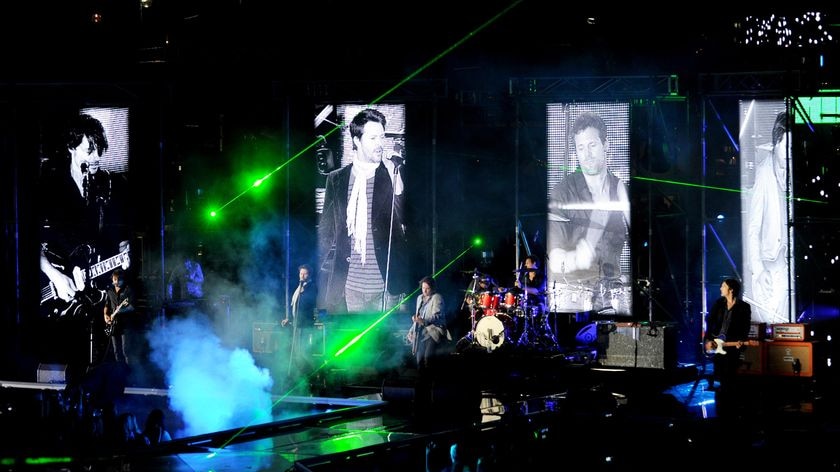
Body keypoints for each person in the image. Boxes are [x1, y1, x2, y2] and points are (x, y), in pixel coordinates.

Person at [39, 112, 131, 320]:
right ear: (71, 147)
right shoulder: (49, 186)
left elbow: (122, 242)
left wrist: (127, 252)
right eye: (89, 150)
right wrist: (56, 276)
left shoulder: (113, 188)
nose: (96, 157)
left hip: (98, 299)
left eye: (100, 150)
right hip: (55, 294)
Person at [317, 108, 408, 314]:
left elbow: (405, 219)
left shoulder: (391, 175)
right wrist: (309, 268)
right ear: (357, 141)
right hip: (350, 286)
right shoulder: (336, 179)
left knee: (386, 345)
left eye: (382, 137)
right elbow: (326, 230)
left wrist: (397, 180)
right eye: (373, 137)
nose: (380, 144)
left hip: (386, 287)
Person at [546, 111, 630, 312]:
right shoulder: (562, 193)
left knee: (623, 343)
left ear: (606, 145)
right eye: (580, 147)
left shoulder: (622, 190)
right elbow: (555, 260)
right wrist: (575, 258)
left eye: (592, 145)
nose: (587, 154)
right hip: (574, 293)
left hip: (613, 292)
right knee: (578, 341)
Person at [747, 111, 790, 324]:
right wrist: (759, 268)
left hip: (787, 263)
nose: (790, 152)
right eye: (787, 146)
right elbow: (753, 227)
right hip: (771, 265)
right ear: (777, 142)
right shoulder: (764, 173)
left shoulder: (791, 172)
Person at [703, 278, 752, 419]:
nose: (720, 289)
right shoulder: (719, 304)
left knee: (730, 377)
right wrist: (707, 340)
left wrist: (741, 341)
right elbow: (710, 322)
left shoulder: (744, 307)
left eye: (723, 286)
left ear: (731, 289)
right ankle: (721, 411)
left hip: (732, 347)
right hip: (717, 345)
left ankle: (730, 412)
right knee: (720, 376)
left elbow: (745, 327)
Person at [282, 264, 319, 378]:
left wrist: (304, 291)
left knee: (303, 352)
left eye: (305, 273)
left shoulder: (311, 287)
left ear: (309, 275)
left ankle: (314, 374)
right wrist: (289, 319)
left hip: (305, 326)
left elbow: (308, 303)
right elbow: (295, 306)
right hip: (297, 325)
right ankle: (305, 377)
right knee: (296, 353)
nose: (302, 276)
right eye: (300, 273)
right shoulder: (299, 287)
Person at [408, 276, 449, 372]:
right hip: (421, 333)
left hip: (433, 332)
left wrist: (423, 320)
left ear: (433, 288)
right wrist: (411, 331)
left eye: (427, 288)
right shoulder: (419, 298)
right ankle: (421, 383)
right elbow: (418, 316)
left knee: (428, 360)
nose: (425, 291)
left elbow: (437, 316)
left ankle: (429, 382)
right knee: (419, 360)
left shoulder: (437, 297)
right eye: (423, 288)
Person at [103, 268, 136, 364]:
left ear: (123, 279)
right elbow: (106, 305)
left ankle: (128, 372)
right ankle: (119, 371)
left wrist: (121, 311)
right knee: (116, 350)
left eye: (119, 279)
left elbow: (132, 307)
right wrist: (105, 315)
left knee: (126, 350)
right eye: (115, 279)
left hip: (125, 324)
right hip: (113, 324)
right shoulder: (110, 291)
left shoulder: (128, 289)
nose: (117, 282)